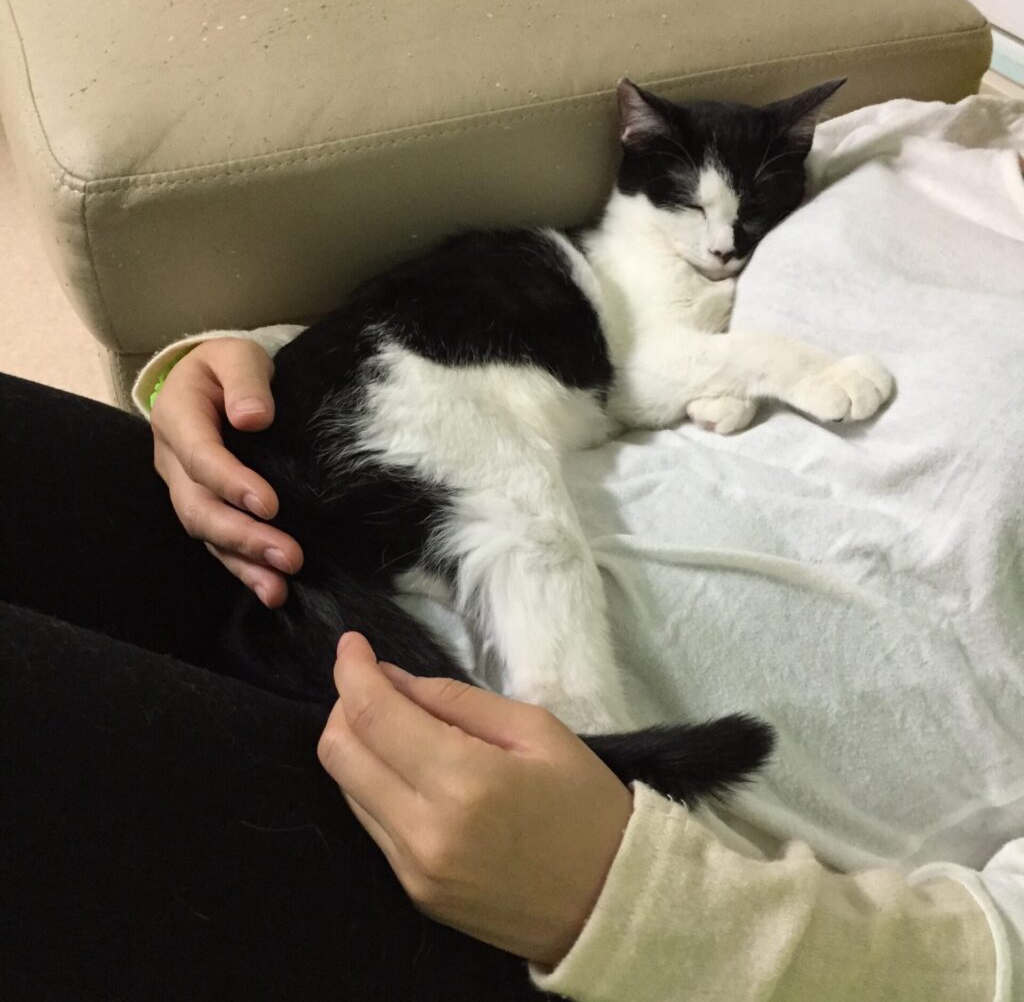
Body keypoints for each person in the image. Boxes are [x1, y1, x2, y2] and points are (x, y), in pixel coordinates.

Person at [5, 95, 1022, 1000]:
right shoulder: (913, 135)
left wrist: (634, 904)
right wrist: (259, 371)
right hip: (335, 526)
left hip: (569, 852)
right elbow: (619, 338)